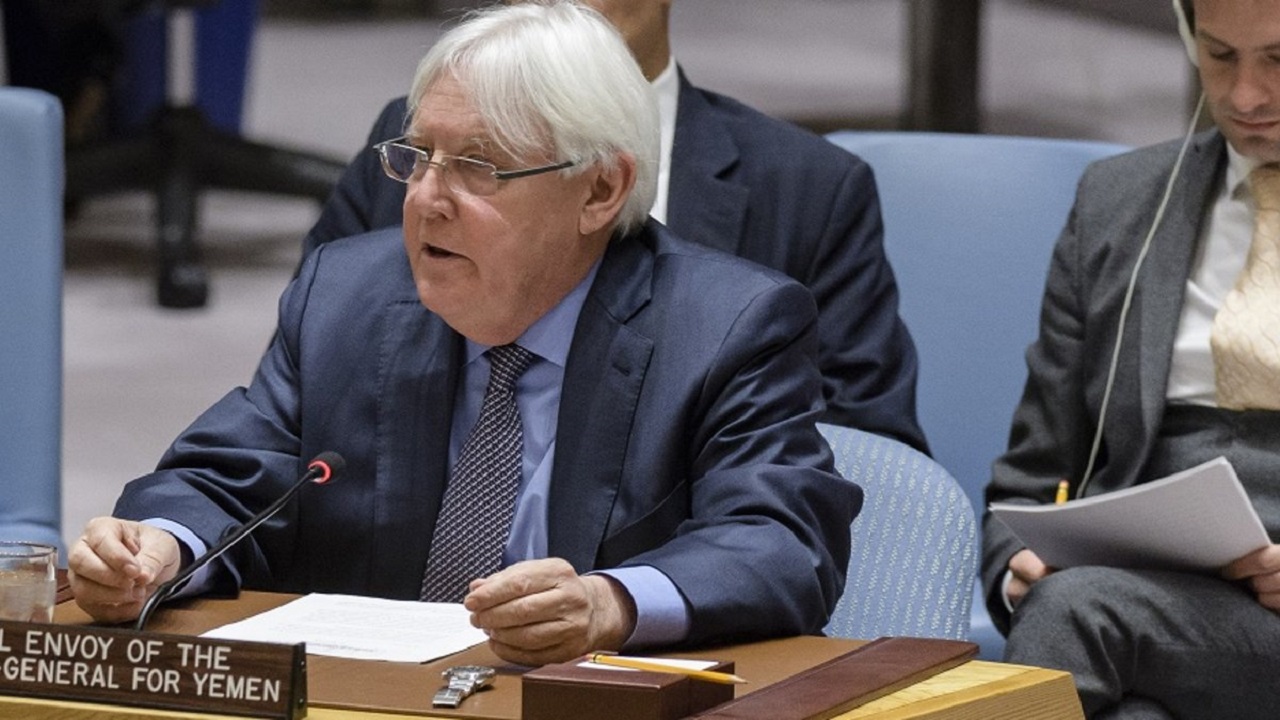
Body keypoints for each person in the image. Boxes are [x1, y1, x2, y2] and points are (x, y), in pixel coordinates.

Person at [66, 0, 859, 667]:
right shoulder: (348, 295)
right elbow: (229, 478)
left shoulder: (725, 327)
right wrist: (159, 548)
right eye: (418, 157)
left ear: (601, 189)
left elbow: (779, 541)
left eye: (479, 167)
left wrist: (610, 603)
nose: (426, 200)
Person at [300, 0, 928, 454]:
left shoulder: (806, 187)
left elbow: (869, 454)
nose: (434, 189)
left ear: (604, 188)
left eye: (483, 165)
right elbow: (308, 385)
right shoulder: (414, 144)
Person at [981, 0, 1280, 717]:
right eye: (1219, 56)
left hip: (1123, 614)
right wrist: (1015, 564)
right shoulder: (1121, 203)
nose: (1245, 95)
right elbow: (1034, 473)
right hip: (1146, 601)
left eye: (1279, 60)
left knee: (1076, 614)